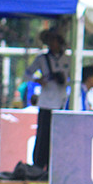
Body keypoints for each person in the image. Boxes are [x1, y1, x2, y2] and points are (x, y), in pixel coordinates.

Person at [25, 28, 70, 170]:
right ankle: (38, 165)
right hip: (46, 102)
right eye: (50, 40)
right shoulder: (42, 59)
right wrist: (37, 80)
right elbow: (27, 74)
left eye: (55, 40)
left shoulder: (68, 59)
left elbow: (72, 78)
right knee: (42, 135)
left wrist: (63, 79)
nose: (53, 43)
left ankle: (54, 166)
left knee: (57, 136)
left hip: (61, 102)